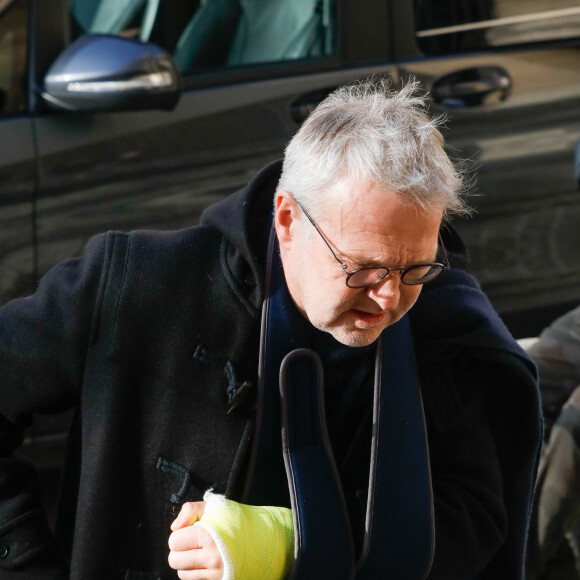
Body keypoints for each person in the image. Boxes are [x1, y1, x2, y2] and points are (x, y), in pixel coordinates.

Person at [0, 79, 541, 579]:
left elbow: (474, 511)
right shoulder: (138, 284)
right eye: (362, 268)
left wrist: (287, 546)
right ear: (287, 220)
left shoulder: (442, 326)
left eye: (414, 269)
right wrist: (24, 561)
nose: (389, 296)